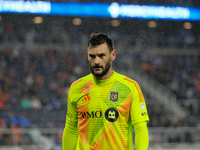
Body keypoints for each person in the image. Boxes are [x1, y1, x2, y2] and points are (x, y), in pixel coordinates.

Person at [62, 33, 149, 150]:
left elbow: (140, 128)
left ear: (113, 55)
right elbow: (71, 129)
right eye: (92, 56)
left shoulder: (129, 87)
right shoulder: (77, 87)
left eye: (101, 55)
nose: (96, 61)